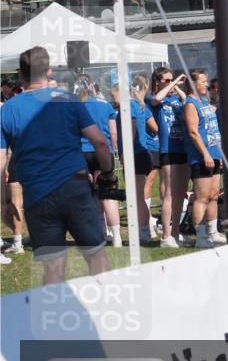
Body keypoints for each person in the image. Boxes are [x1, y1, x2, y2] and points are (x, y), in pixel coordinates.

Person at [0, 47, 113, 283]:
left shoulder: (8, 109)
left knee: (52, 267)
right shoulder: (67, 99)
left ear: (21, 75)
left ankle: (51, 318)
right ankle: (106, 311)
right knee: (97, 257)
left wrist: (5, 202)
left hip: (37, 194)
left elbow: (1, 162)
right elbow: (100, 142)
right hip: (75, 186)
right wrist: (108, 173)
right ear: (49, 71)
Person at [77, 77, 121, 247]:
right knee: (108, 193)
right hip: (103, 151)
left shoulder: (75, 106)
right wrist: (113, 149)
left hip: (82, 151)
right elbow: (114, 132)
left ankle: (100, 233)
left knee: (89, 194)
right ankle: (116, 235)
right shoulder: (105, 105)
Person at [115, 75, 159, 245]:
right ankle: (146, 231)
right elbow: (155, 128)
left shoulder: (130, 106)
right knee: (139, 196)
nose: (114, 97)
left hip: (135, 154)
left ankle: (144, 233)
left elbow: (131, 128)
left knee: (136, 197)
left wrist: (126, 152)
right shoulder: (141, 106)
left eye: (115, 93)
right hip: (144, 153)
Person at [184, 69, 225, 248]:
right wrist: (206, 153)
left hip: (215, 154)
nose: (207, 85)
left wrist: (218, 153)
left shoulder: (205, 102)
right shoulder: (191, 104)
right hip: (202, 157)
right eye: (203, 81)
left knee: (214, 195)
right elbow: (193, 132)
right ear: (193, 84)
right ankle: (200, 235)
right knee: (202, 197)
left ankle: (212, 231)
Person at [152, 69, 190, 248]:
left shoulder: (176, 98)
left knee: (180, 193)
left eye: (171, 80)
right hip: (168, 149)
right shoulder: (155, 98)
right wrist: (173, 84)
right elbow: (156, 99)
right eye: (166, 80)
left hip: (182, 147)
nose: (170, 83)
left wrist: (177, 87)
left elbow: (187, 101)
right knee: (168, 193)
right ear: (158, 81)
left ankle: (176, 232)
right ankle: (166, 236)